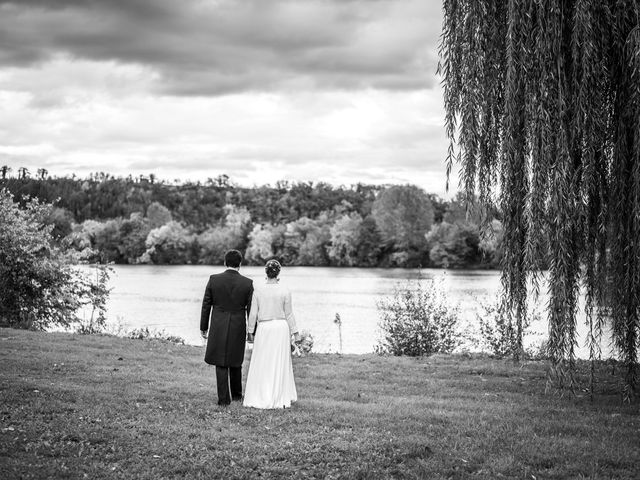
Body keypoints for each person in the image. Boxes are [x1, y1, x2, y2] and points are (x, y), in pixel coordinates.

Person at [243, 259, 300, 409]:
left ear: (266, 273)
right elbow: (289, 314)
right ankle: (278, 394)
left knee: (263, 361)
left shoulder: (258, 290)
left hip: (264, 328)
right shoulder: (285, 290)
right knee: (279, 362)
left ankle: (262, 393)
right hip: (281, 328)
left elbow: (253, 314)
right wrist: (296, 332)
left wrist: (250, 332)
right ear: (278, 272)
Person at [200, 249, 253, 406]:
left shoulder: (214, 279)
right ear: (240, 264)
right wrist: (252, 331)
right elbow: (251, 310)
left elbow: (206, 305)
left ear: (225, 262)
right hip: (238, 324)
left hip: (218, 324)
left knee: (220, 360)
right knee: (236, 359)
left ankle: (224, 399)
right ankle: (237, 395)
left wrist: (204, 327)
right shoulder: (248, 283)